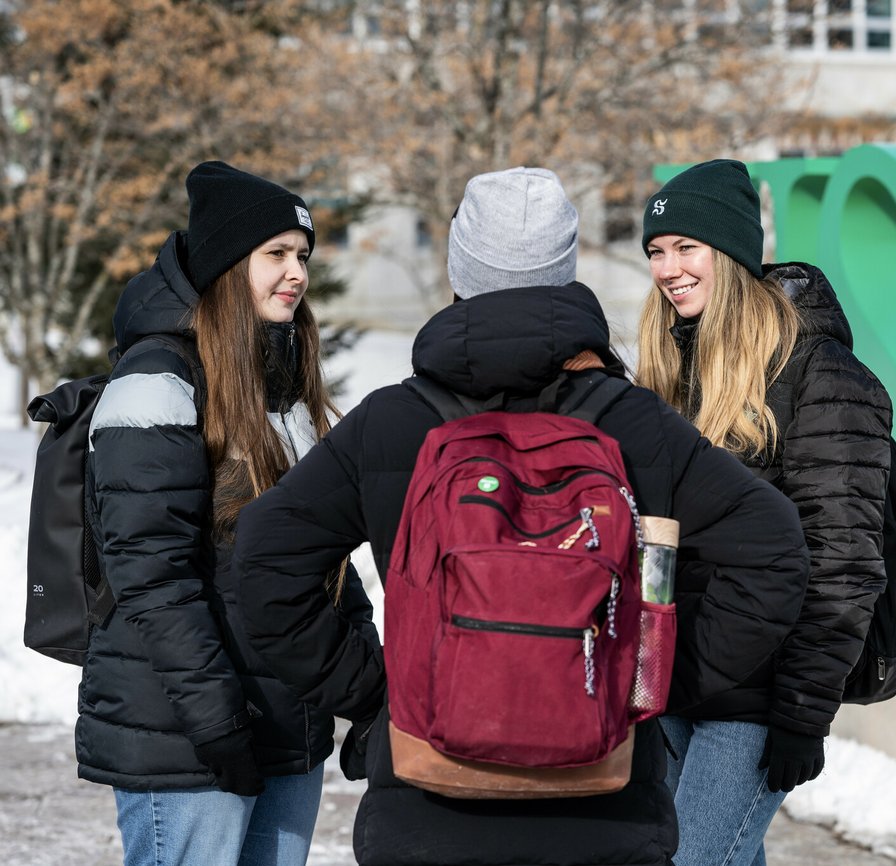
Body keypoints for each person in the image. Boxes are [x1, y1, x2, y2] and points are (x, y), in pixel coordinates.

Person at [231, 166, 810, 866]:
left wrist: (387, 691)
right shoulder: (637, 424)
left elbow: (264, 558)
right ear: (564, 272)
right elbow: (774, 548)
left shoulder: (391, 423)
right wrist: (644, 680)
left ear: (460, 270)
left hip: (428, 806)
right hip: (606, 810)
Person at [80, 160, 377, 866]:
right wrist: (214, 721)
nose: (296, 273)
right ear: (225, 265)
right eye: (275, 255)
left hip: (284, 721)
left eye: (302, 256)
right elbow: (151, 576)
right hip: (188, 735)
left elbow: (321, 559)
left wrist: (370, 690)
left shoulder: (277, 389)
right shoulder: (155, 383)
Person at [637, 158, 893, 866]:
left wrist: (802, 717)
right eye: (657, 252)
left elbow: (844, 564)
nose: (668, 268)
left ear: (732, 253)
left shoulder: (823, 377)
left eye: (687, 247)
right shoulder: (671, 375)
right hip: (674, 689)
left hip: (756, 703)